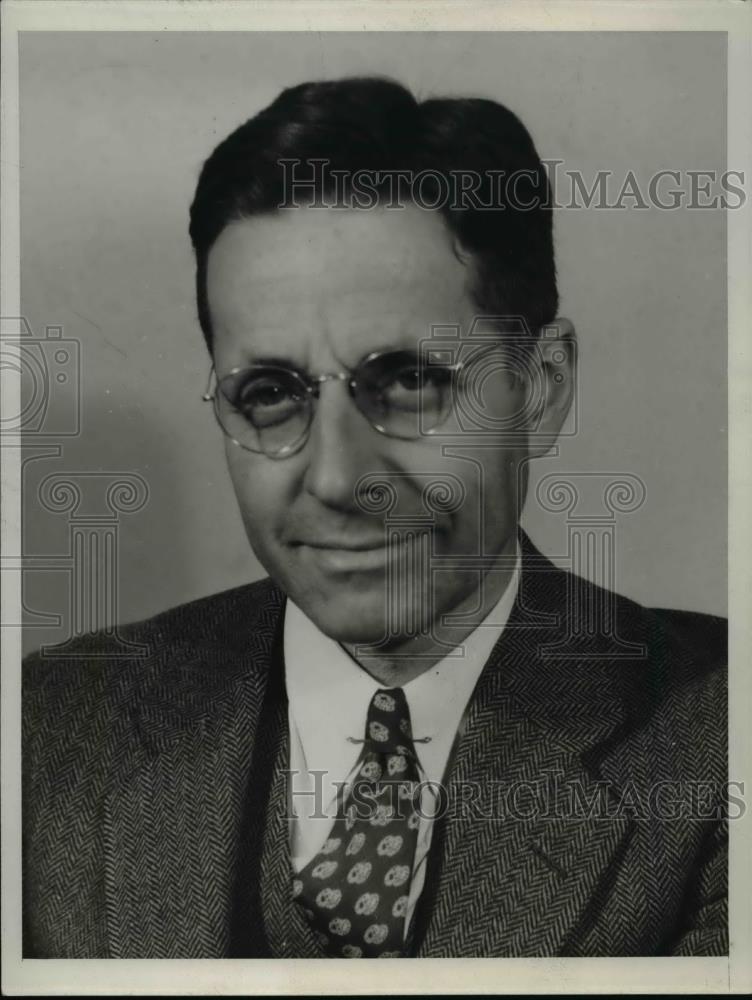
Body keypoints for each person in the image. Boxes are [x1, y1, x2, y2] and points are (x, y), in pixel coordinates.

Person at [22, 76, 727, 958]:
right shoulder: (45, 732)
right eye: (272, 394)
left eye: (408, 380)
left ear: (540, 391)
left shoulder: (720, 740)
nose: (338, 476)